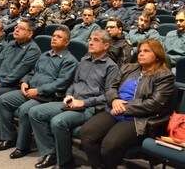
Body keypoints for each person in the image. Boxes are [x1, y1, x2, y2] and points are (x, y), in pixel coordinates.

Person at [28, 30, 120, 168]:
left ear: (106, 46)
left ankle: (65, 163)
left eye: (96, 40)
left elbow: (108, 95)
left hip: (90, 107)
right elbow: (73, 83)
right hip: (72, 101)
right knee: (35, 113)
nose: (90, 42)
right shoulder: (84, 60)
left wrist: (84, 102)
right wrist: (69, 95)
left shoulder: (111, 67)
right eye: (90, 39)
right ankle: (50, 153)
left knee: (58, 122)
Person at [80, 39, 175, 169]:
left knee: (110, 145)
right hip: (115, 109)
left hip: (138, 118)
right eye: (140, 51)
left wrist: (124, 108)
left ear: (157, 55)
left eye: (146, 51)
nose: (141, 53)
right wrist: (114, 100)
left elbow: (154, 103)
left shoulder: (164, 76)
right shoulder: (128, 68)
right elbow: (111, 88)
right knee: (87, 133)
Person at [0, 26, 78, 159]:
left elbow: (61, 83)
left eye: (59, 37)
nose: (54, 38)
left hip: (46, 96)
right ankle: (8, 137)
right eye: (54, 36)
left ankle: (23, 147)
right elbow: (32, 72)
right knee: (3, 100)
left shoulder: (69, 61)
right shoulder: (45, 54)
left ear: (66, 42)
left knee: (25, 110)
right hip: (30, 91)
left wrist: (38, 90)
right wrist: (24, 82)